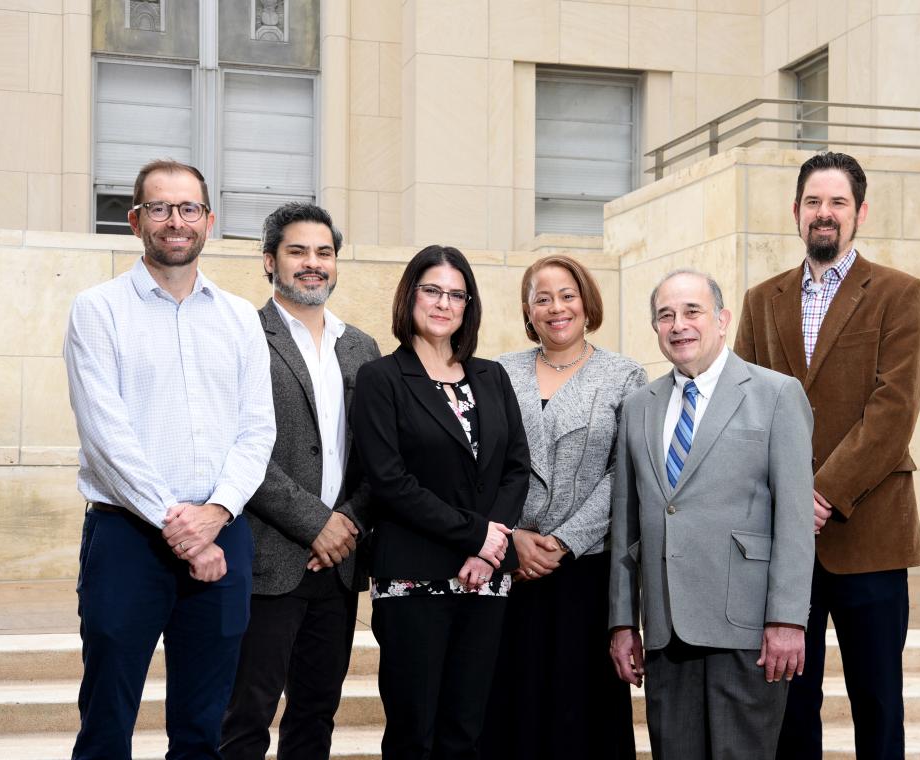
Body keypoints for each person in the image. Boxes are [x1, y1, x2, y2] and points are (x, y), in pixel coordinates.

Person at [63, 159, 275, 759]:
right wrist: (181, 528)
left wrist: (216, 514)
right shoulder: (97, 309)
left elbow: (257, 431)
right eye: (159, 208)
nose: (175, 221)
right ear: (135, 221)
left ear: (209, 220)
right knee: (107, 721)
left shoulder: (239, 317)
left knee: (203, 727)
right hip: (127, 538)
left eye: (188, 208)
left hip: (223, 532)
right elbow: (106, 437)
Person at [733, 152, 920, 760]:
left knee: (878, 702)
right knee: (789, 705)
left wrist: (819, 494)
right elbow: (741, 407)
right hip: (782, 544)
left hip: (869, 531)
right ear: (796, 212)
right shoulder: (761, 300)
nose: (825, 213)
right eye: (814, 202)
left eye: (838, 202)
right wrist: (788, 502)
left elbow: (894, 408)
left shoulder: (899, 293)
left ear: (860, 213)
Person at [608, 270, 815, 760]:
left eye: (692, 312)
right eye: (666, 315)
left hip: (746, 629)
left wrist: (787, 619)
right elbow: (626, 524)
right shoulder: (638, 406)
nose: (678, 325)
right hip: (666, 628)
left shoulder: (776, 394)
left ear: (722, 320)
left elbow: (794, 521)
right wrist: (622, 622)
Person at [351, 245, 530, 760]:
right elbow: (390, 482)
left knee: (465, 732)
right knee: (414, 734)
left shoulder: (492, 377)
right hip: (414, 575)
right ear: (410, 295)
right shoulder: (381, 378)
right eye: (432, 290)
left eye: (456, 294)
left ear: (468, 306)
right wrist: (476, 535)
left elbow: (515, 468)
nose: (443, 303)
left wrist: (489, 549)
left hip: (485, 577)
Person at [220, 203, 380, 760]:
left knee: (316, 714)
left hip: (339, 563)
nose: (313, 263)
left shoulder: (361, 347)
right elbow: (237, 448)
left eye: (324, 252)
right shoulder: (241, 335)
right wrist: (316, 524)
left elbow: (378, 456)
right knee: (245, 716)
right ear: (270, 261)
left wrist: (347, 524)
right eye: (298, 251)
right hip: (268, 557)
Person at [482, 255, 644, 760]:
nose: (557, 308)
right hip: (509, 567)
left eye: (567, 296)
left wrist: (564, 541)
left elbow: (625, 472)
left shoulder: (624, 375)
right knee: (509, 707)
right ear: (528, 310)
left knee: (580, 714)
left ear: (587, 302)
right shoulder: (497, 372)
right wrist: (512, 538)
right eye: (543, 298)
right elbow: (481, 464)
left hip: (586, 569)